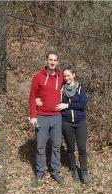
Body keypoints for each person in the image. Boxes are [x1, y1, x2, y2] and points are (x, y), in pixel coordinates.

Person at [29, 53, 64, 186]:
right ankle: (40, 172)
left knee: (56, 145)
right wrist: (33, 115)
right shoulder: (38, 77)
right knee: (40, 146)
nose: (52, 62)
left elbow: (70, 88)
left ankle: (55, 172)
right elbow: (32, 96)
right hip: (41, 116)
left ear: (57, 62)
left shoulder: (61, 77)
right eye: (50, 60)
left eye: (55, 60)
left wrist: (66, 104)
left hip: (57, 116)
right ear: (46, 61)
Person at [59, 69, 89, 184]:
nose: (66, 78)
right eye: (65, 76)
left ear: (73, 75)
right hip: (66, 122)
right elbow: (57, 103)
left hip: (80, 122)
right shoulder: (62, 89)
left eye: (68, 76)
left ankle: (84, 172)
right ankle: (73, 170)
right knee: (70, 149)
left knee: (82, 148)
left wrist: (67, 105)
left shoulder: (80, 88)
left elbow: (83, 104)